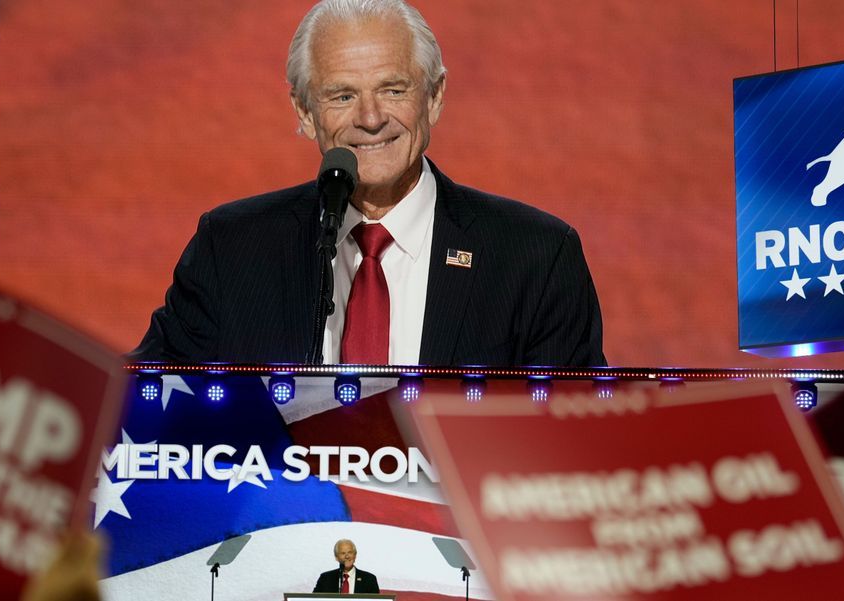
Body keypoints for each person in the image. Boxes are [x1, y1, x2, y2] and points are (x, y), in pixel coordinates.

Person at [131, 0, 605, 367]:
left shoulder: (536, 257)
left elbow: (567, 450)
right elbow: (138, 408)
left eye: (393, 89)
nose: (371, 118)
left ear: (434, 97)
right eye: (342, 95)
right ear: (305, 112)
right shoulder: (232, 250)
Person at [313, 539, 380, 593]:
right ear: (336, 557)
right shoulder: (325, 579)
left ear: (355, 555)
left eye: (350, 552)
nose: (347, 556)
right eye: (343, 553)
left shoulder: (369, 579)